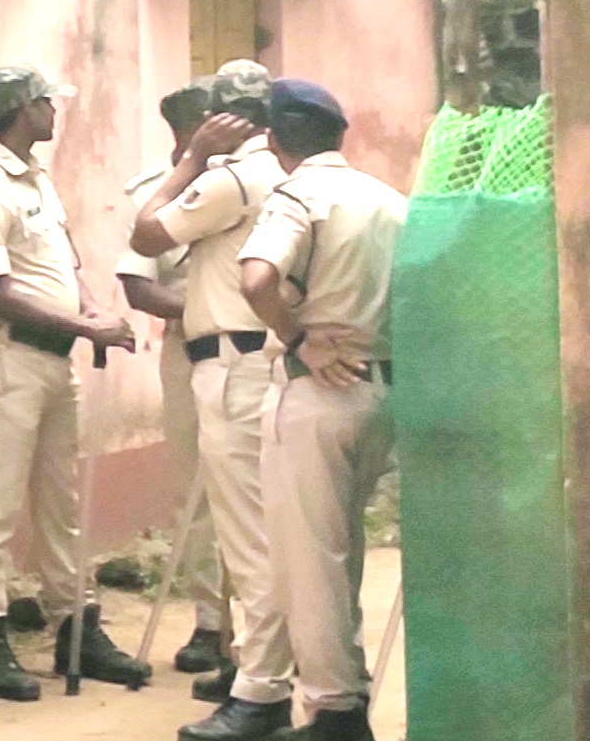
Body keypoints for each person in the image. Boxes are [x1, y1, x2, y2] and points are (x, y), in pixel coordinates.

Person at [0, 64, 151, 701]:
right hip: (11, 360)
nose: (54, 110)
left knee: (62, 502)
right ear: (20, 110)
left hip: (55, 360)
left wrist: (92, 312)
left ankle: (76, 626)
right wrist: (87, 327)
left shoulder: (37, 179)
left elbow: (65, 266)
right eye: (45, 101)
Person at [130, 61, 298, 740]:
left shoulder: (231, 176)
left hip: (233, 365)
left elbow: (145, 233)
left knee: (247, 538)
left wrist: (190, 158)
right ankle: (280, 674)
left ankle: (260, 690)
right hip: (270, 362)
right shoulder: (288, 172)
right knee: (277, 530)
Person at [237, 80, 405, 741]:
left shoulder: (298, 194)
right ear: (339, 134)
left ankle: (335, 712)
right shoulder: (390, 200)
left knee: (310, 562)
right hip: (383, 389)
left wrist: (299, 338)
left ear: (272, 139)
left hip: (318, 389)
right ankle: (346, 698)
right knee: (343, 552)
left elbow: (256, 277)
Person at [117, 79, 227, 678]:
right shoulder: (151, 196)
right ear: (190, 131)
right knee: (196, 492)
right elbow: (138, 287)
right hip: (190, 352)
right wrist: (207, 308)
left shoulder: (248, 182)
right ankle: (212, 622)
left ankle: (269, 623)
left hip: (255, 353)